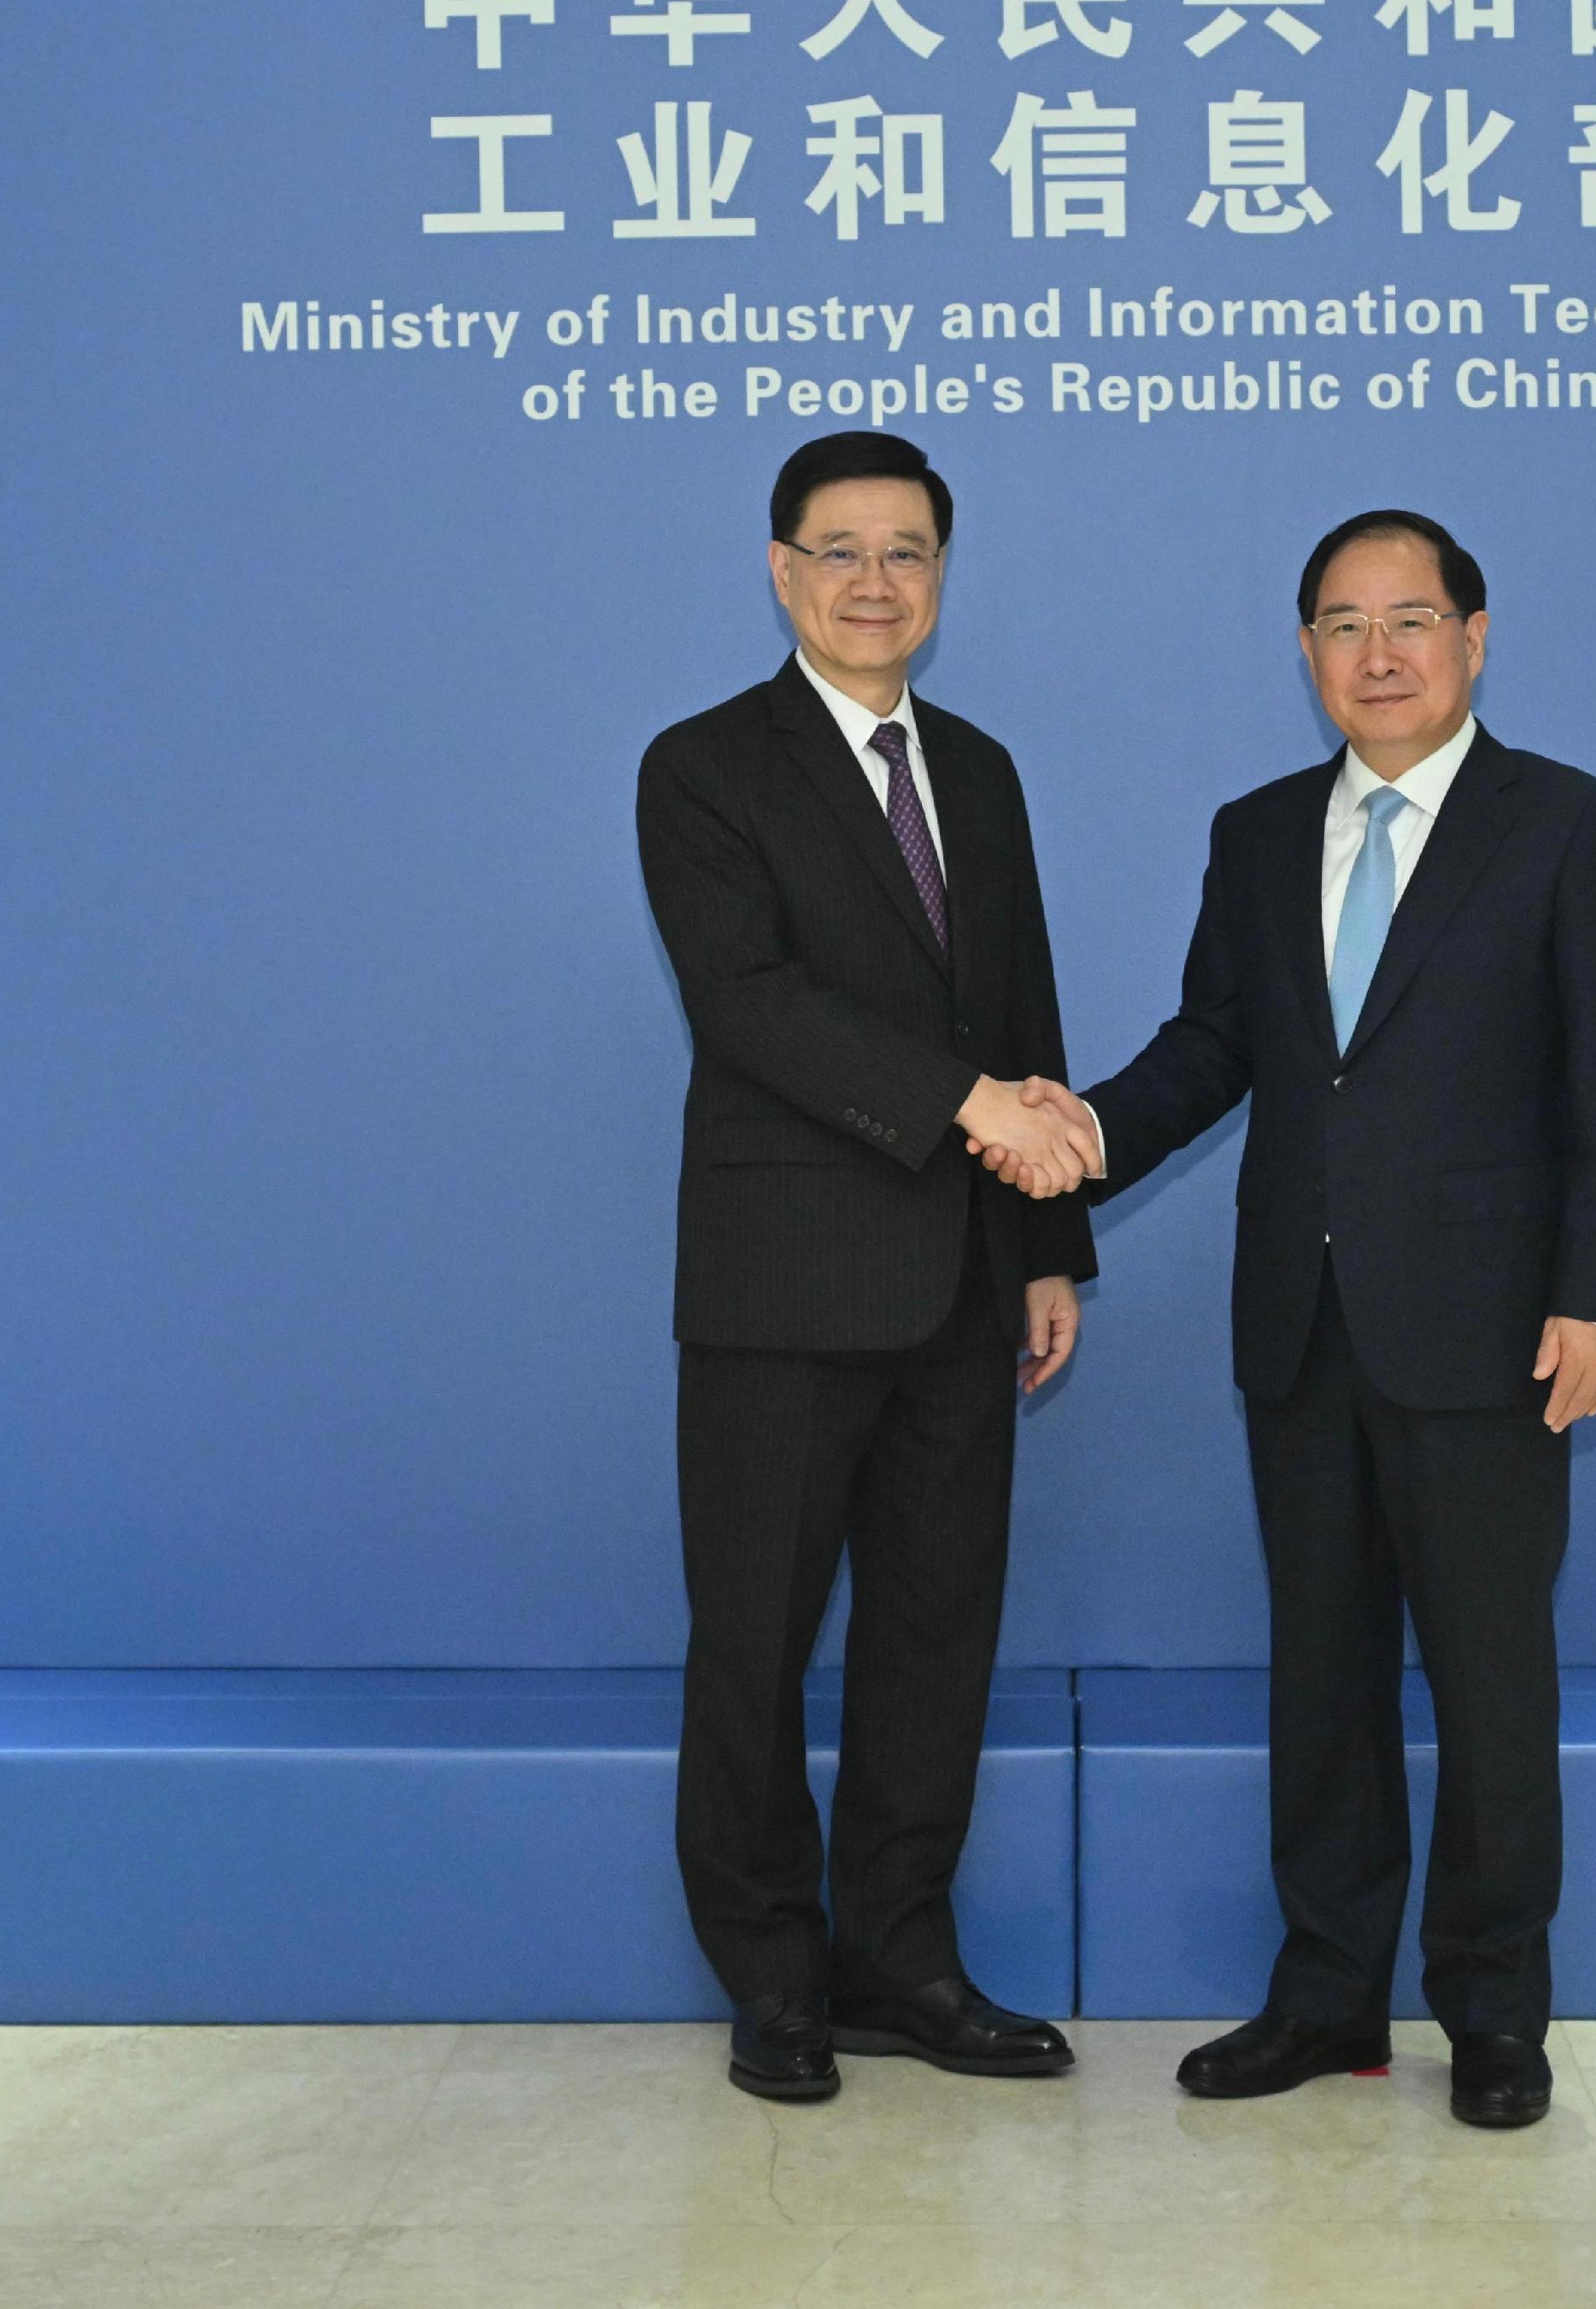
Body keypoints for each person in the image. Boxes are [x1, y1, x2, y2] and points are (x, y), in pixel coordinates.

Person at [990, 509, 1596, 2129]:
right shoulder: (1257, 829)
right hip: (1302, 1324)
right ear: (1305, 654)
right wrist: (1072, 1132)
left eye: (1413, 620)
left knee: (1495, 1687)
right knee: (1325, 1678)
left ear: (1477, 635)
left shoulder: (1571, 823)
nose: (1380, 654)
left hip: (1500, 1335)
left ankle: (1496, 2014)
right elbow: (1215, 1045)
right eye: (1344, 626)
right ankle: (1328, 1998)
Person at [636, 430, 1106, 2103]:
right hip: (779, 1289)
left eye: (905, 552)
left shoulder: (974, 768)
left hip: (964, 1291)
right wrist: (969, 1105)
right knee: (751, 1645)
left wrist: (1050, 1247)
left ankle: (900, 1957)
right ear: (780, 571)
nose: (871, 582)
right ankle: (773, 1979)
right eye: (836, 550)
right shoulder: (700, 767)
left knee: (932, 1639)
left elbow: (1020, 1005)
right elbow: (746, 1003)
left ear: (939, 577)